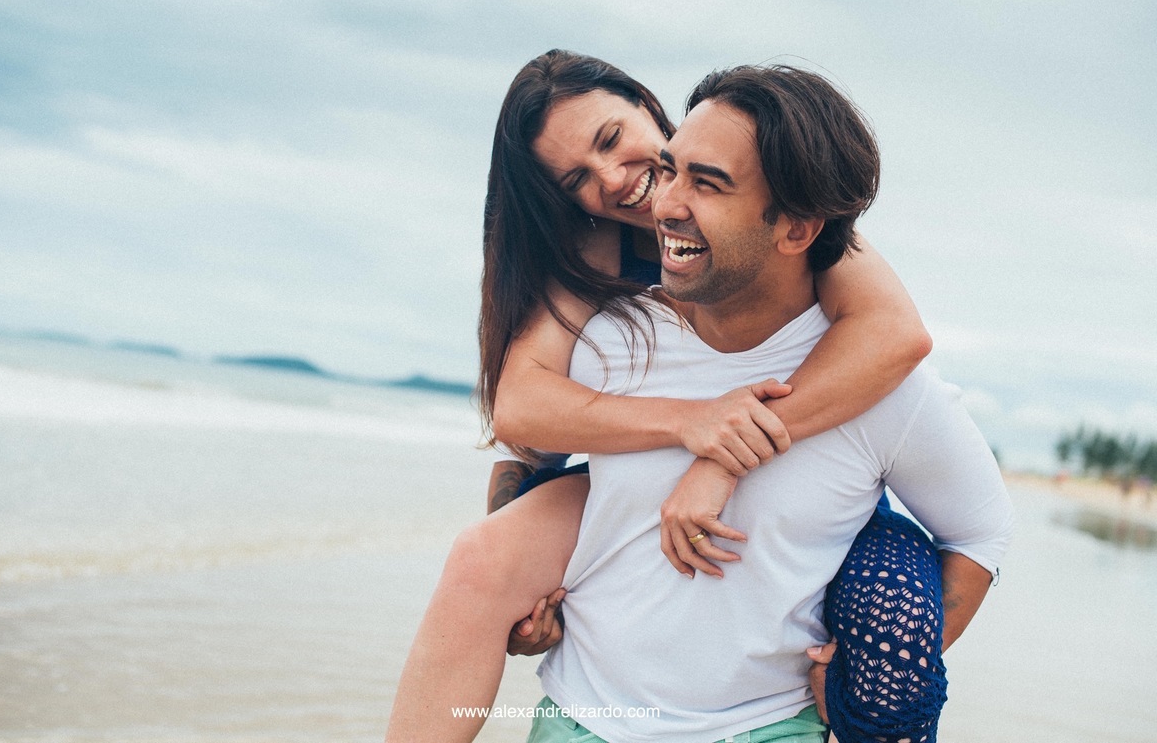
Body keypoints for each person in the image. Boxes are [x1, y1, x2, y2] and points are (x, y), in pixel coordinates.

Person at [385, 51, 933, 742]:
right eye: (577, 180)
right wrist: (688, 425)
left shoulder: (772, 210)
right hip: (642, 466)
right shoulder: (595, 250)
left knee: (894, 623)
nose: (613, 179)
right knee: (480, 560)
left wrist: (724, 453)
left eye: (611, 138)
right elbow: (521, 411)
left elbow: (896, 334)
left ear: (648, 104)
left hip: (806, 466)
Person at [526, 64, 1014, 743]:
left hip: (766, 728)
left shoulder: (882, 385)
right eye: (671, 170)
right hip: (578, 717)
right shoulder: (612, 342)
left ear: (796, 229)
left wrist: (858, 679)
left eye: (708, 184)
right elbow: (530, 450)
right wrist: (526, 598)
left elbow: (980, 534)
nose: (665, 204)